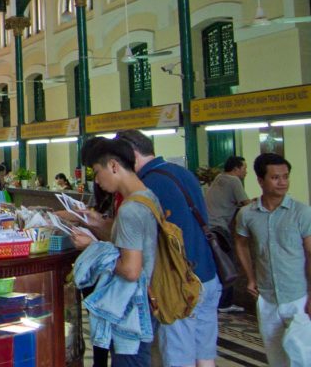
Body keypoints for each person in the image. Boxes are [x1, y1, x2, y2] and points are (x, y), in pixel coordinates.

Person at [114, 129, 218, 367]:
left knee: (178, 357)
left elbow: (139, 241)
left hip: (178, 284)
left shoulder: (147, 186)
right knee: (205, 356)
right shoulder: (183, 173)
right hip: (207, 275)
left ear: (131, 154)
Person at [71, 137, 159, 366]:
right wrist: (98, 224)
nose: (97, 181)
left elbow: (130, 270)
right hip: (147, 300)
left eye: (97, 172)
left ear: (113, 166)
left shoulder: (130, 210)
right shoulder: (148, 197)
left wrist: (92, 247)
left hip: (132, 307)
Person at [234, 153, 311, 367]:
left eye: (286, 177)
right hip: (266, 297)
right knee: (275, 356)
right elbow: (240, 242)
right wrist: (250, 277)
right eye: (275, 177)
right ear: (260, 180)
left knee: (303, 357)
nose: (282, 182)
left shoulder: (301, 212)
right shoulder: (247, 214)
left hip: (299, 297)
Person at [205, 155, 250, 313]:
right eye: (244, 168)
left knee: (217, 265)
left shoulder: (219, 177)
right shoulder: (234, 181)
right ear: (236, 168)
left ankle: (217, 301)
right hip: (219, 229)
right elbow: (246, 205)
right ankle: (225, 303)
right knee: (227, 266)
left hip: (208, 227)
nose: (246, 171)